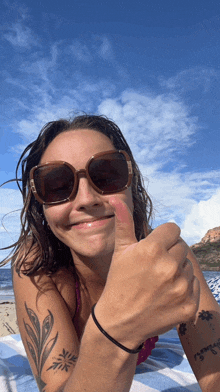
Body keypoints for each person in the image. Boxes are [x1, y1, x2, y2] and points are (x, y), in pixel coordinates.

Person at [1, 114, 220, 392]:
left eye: (106, 175)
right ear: (40, 205)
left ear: (131, 186)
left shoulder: (165, 256)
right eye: (56, 185)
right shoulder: (37, 264)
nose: (86, 199)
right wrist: (116, 330)